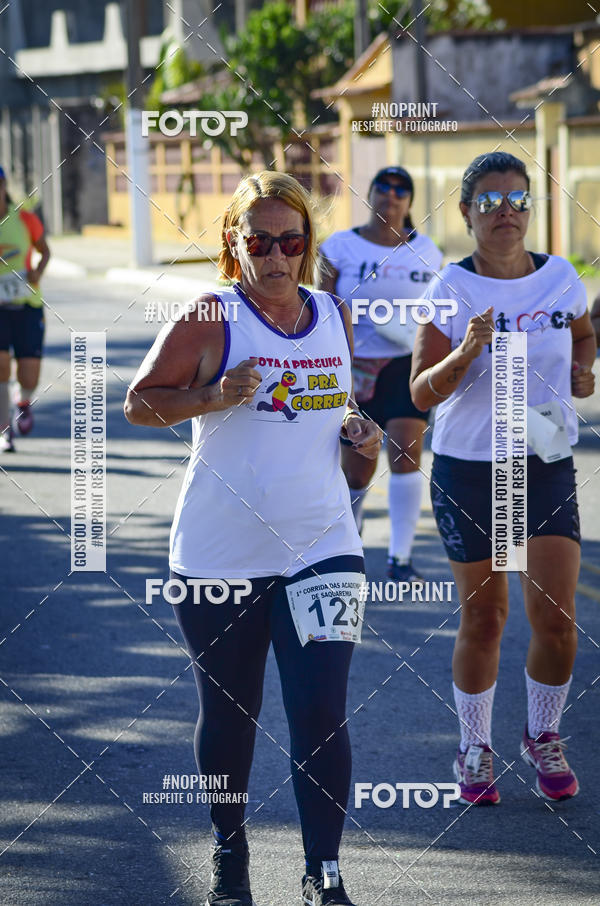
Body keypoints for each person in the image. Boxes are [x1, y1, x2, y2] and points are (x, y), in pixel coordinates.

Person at [124, 171, 382, 906]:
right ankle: (229, 850)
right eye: (259, 240)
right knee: (231, 713)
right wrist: (210, 394)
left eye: (290, 240)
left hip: (323, 542)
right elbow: (139, 402)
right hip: (220, 551)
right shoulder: (212, 315)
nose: (276, 254)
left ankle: (323, 873)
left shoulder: (334, 312)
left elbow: (334, 424)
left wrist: (358, 437)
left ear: (307, 245)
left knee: (322, 711)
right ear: (233, 245)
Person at [410, 151, 596, 805]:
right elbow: (421, 393)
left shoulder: (560, 276)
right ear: (466, 213)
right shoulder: (451, 289)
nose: (506, 213)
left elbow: (582, 334)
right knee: (486, 619)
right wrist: (465, 351)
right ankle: (474, 747)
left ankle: (542, 734)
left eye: (517, 200)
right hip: (469, 467)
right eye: (489, 202)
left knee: (557, 621)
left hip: (541, 459)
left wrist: (584, 370)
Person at [319, 166, 442, 585]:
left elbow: (439, 313)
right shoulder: (340, 246)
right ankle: (346, 552)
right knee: (358, 471)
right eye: (383, 188)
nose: (391, 195)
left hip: (405, 365)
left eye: (401, 190)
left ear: (410, 201)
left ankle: (400, 560)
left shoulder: (427, 250)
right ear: (370, 194)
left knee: (407, 454)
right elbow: (318, 307)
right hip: (353, 366)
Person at [0, 166, 50, 452]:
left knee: (28, 374)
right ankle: (5, 429)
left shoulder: (24, 219)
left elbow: (45, 251)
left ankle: (23, 403)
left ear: (4, 187)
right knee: (1, 368)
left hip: (27, 305)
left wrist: (37, 272)